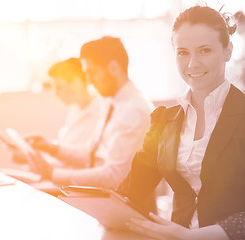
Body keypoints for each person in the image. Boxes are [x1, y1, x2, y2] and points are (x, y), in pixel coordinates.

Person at [117, 5, 245, 240]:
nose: (192, 63)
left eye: (204, 50)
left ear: (227, 51)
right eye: (183, 52)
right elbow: (130, 192)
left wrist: (189, 236)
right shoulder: (164, 119)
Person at [30, 36, 154, 190]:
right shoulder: (112, 102)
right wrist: (52, 148)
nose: (88, 81)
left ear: (113, 68)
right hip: (104, 193)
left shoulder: (133, 111)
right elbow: (91, 153)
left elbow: (113, 177)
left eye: (92, 73)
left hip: (120, 200)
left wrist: (54, 174)